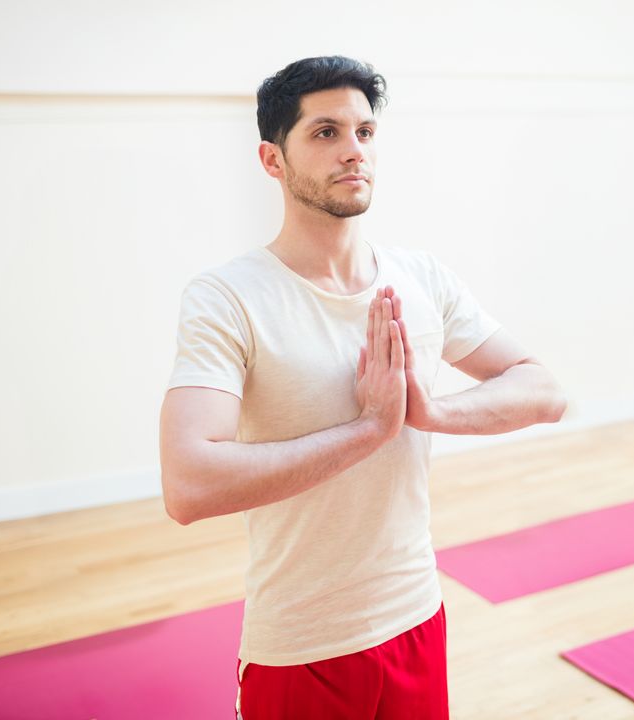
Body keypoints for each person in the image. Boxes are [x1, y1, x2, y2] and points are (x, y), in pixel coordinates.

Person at [158, 55, 566, 720]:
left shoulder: (420, 276)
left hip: (415, 616)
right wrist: (369, 429)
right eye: (325, 133)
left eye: (364, 133)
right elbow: (189, 484)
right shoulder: (228, 296)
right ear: (272, 160)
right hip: (300, 646)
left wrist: (429, 411)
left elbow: (542, 390)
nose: (353, 151)